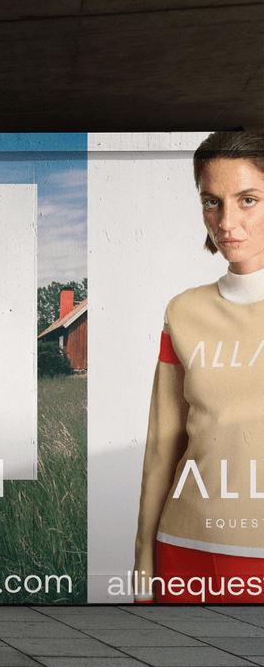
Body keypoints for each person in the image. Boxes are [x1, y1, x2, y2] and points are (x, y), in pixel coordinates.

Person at [135, 131, 264, 604]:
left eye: (247, 199)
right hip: (187, 549)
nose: (226, 221)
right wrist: (143, 557)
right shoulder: (183, 311)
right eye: (212, 202)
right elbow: (161, 446)